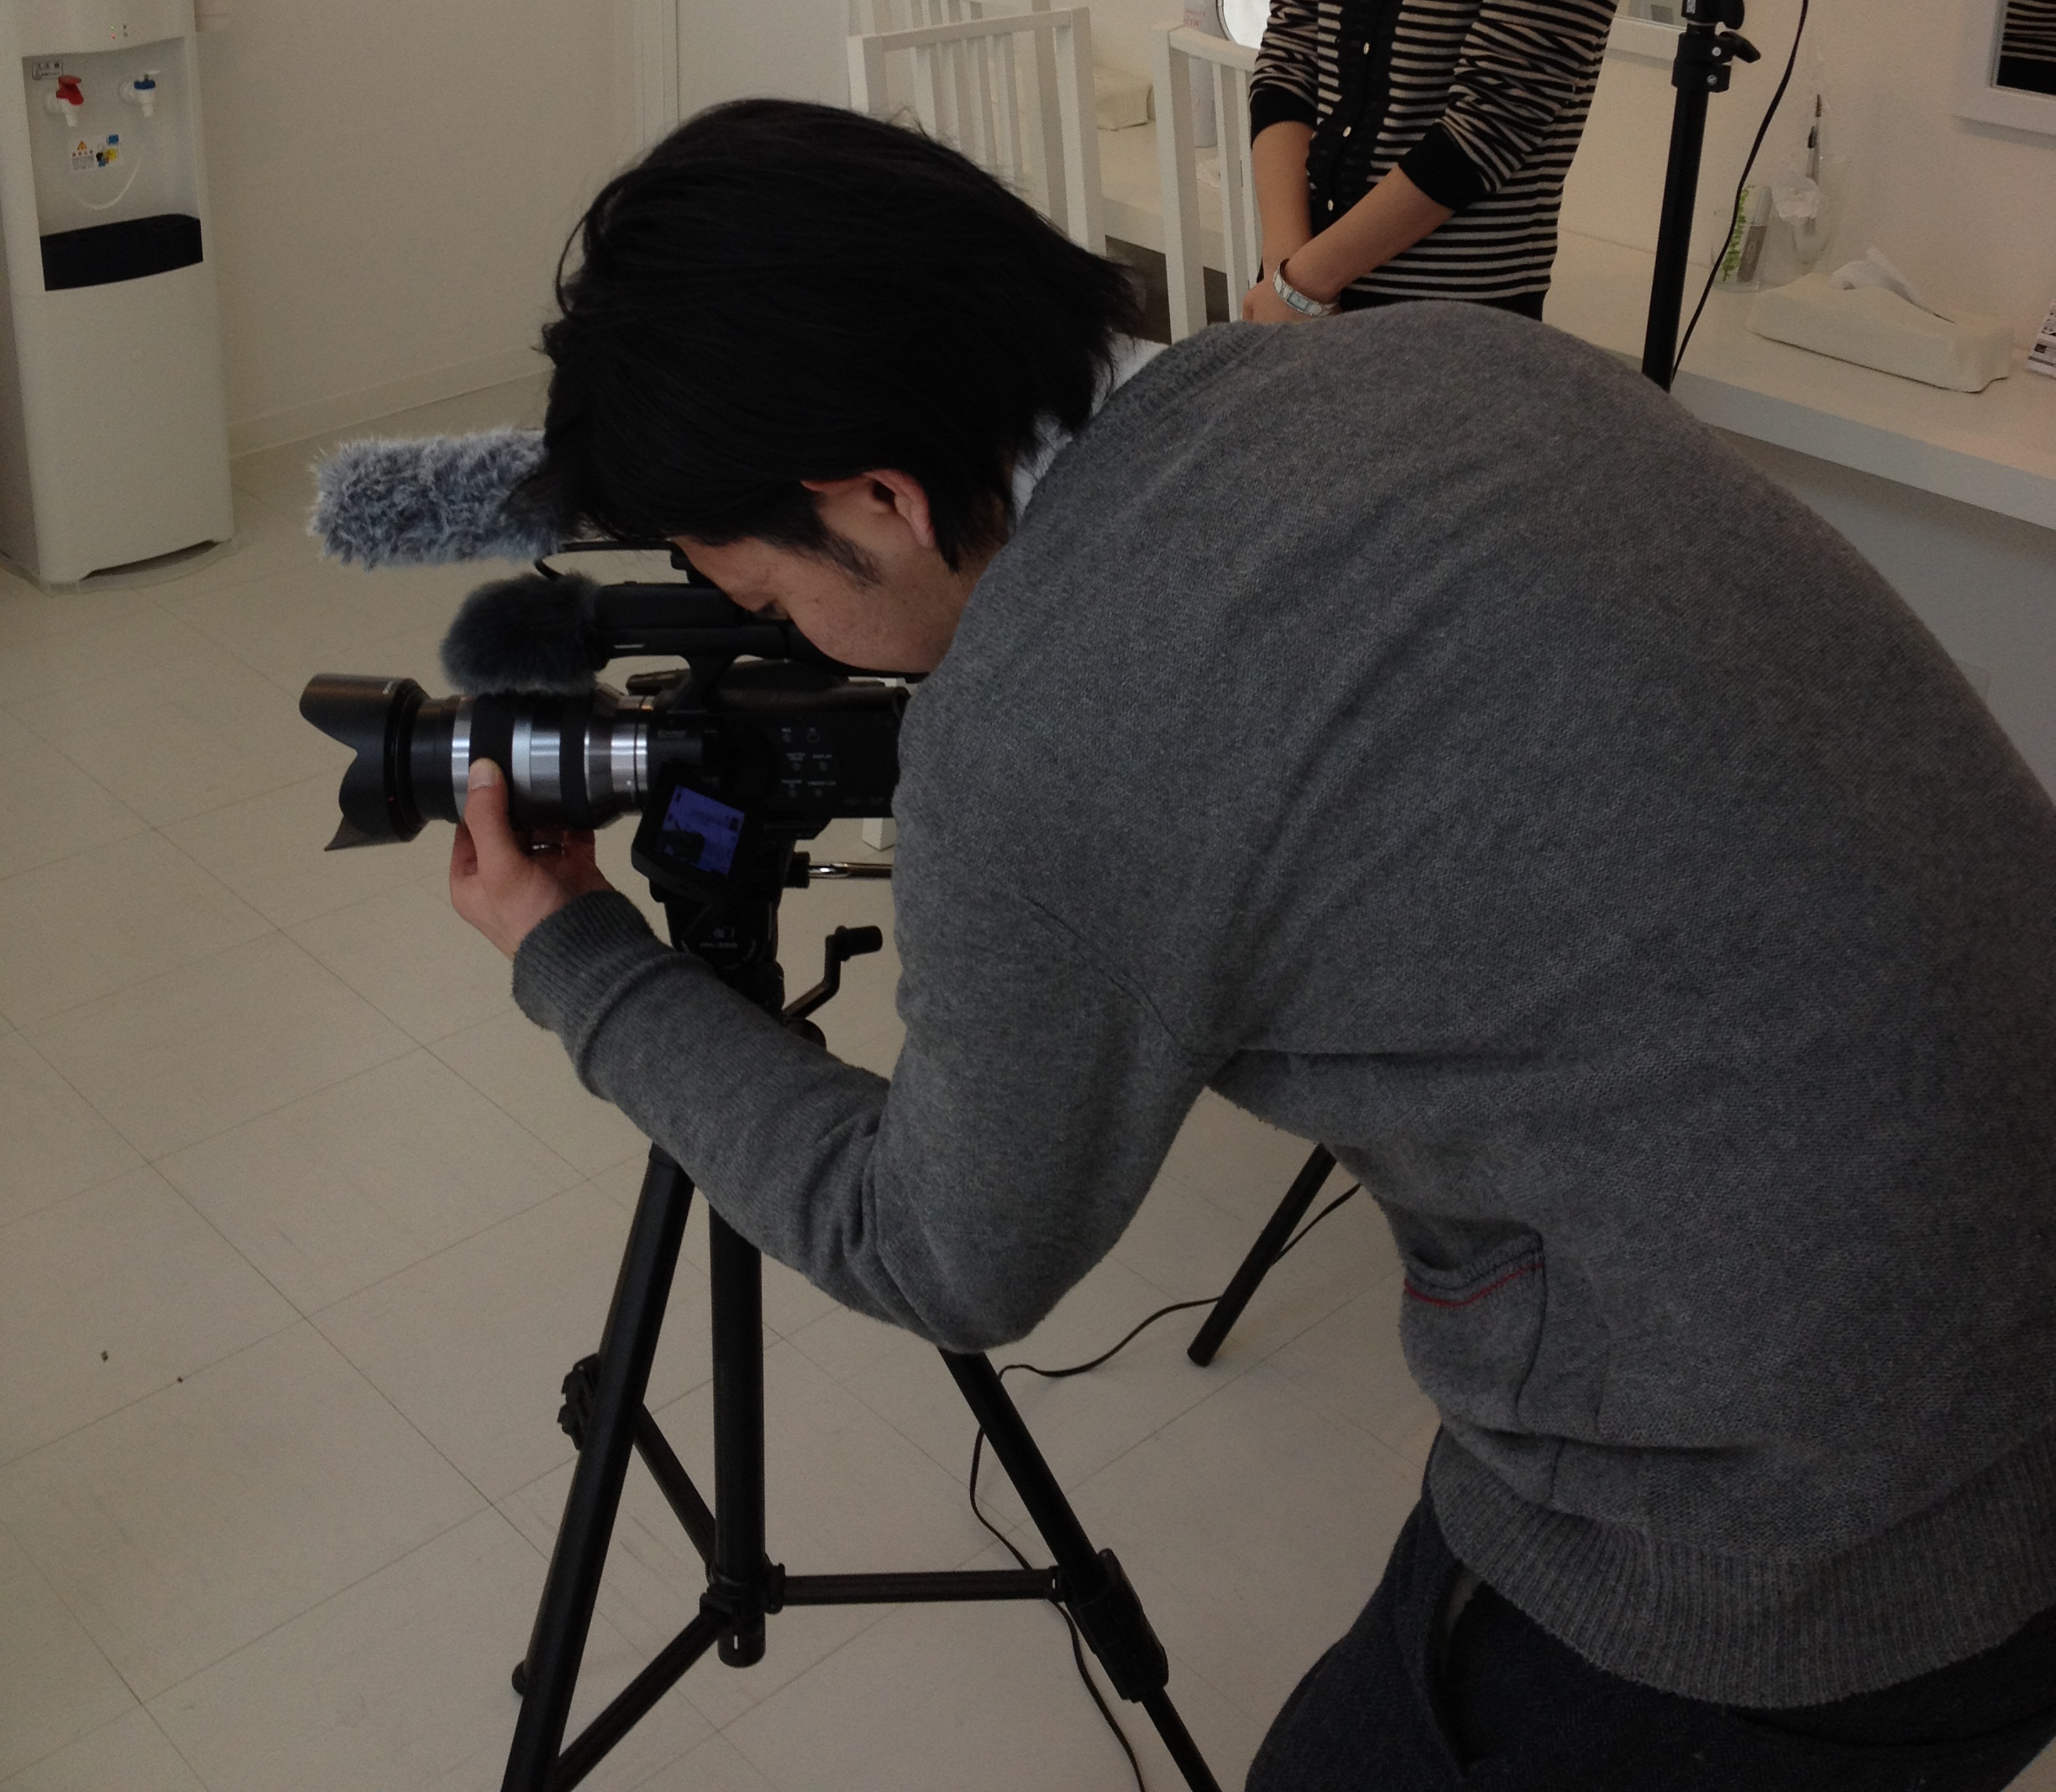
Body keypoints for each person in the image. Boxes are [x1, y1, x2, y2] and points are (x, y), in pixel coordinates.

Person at [450, 97, 2056, 1792]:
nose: (802, 640)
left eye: (775, 599)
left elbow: (934, 1250)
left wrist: (579, 955)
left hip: (1821, 1537)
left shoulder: (1043, 728)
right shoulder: (1449, 357)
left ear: (882, 496)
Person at [1244, 0, 1640, 324]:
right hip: (1293, 281)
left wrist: (1302, 285)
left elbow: (1493, 122)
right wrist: (1284, 272)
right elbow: (1287, 63)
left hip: (1451, 309)